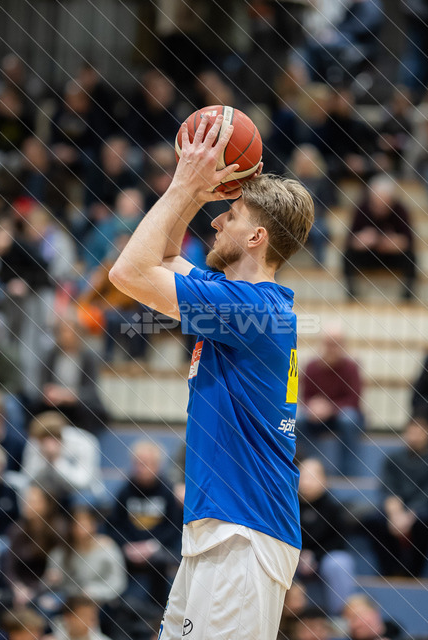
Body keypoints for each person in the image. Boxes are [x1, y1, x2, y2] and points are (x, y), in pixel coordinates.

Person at [108, 114, 314, 638]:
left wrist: (184, 185)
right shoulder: (245, 303)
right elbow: (165, 255)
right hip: (224, 530)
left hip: (243, 533)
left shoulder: (252, 310)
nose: (216, 222)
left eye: (232, 214)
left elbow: (128, 273)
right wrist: (195, 192)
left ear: (257, 237)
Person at [361, 415, 428, 577]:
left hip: (422, 510)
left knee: (425, 521)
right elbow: (388, 488)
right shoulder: (394, 458)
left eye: (420, 431)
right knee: (372, 520)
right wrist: (395, 514)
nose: (415, 436)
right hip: (396, 508)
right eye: (411, 431)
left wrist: (409, 516)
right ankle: (389, 571)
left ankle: (412, 572)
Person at [108, 441, 181, 608]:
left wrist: (151, 546)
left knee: (160, 560)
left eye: (146, 463)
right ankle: (119, 609)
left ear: (157, 465)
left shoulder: (168, 491)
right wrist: (127, 545)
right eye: (137, 463)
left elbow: (173, 528)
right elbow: (114, 525)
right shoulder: (125, 491)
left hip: (159, 548)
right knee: (110, 556)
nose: (141, 468)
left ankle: (158, 610)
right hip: (130, 548)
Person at [297, 327, 364, 475]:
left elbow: (354, 399)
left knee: (348, 419)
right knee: (298, 420)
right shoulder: (311, 367)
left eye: (336, 344)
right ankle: (305, 468)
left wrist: (329, 408)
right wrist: (312, 407)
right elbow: (305, 397)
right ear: (321, 344)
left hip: (342, 416)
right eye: (329, 344)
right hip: (316, 417)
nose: (332, 349)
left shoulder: (351, 367)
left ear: (343, 345)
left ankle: (347, 472)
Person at [296, 459, 357, 615]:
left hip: (324, 559)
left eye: (312, 477)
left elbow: (339, 541)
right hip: (295, 558)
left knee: (339, 563)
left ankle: (339, 617)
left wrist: (315, 556)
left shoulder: (334, 508)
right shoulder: (288, 505)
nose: (306, 482)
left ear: (324, 480)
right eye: (303, 476)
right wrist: (299, 555)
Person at [342, 174, 417, 301]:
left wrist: (394, 243)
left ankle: (407, 297)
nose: (380, 206)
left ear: (391, 199)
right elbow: (350, 240)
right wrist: (363, 240)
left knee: (411, 257)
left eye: (385, 202)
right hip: (368, 254)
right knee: (347, 256)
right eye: (377, 201)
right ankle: (352, 294)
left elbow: (409, 241)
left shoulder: (400, 210)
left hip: (391, 256)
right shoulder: (361, 208)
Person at [46, 505, 127, 606]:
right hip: (68, 599)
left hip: (100, 601)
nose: (81, 528)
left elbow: (118, 582)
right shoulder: (61, 552)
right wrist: (52, 579)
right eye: (77, 524)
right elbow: (49, 582)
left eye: (84, 523)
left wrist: (96, 591)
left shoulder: (107, 548)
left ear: (94, 525)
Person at [21, 411, 104, 505]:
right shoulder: (35, 442)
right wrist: (45, 460)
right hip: (50, 491)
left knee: (81, 500)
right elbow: (28, 479)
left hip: (81, 492)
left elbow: (82, 482)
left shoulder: (84, 441)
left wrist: (56, 461)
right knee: (33, 495)